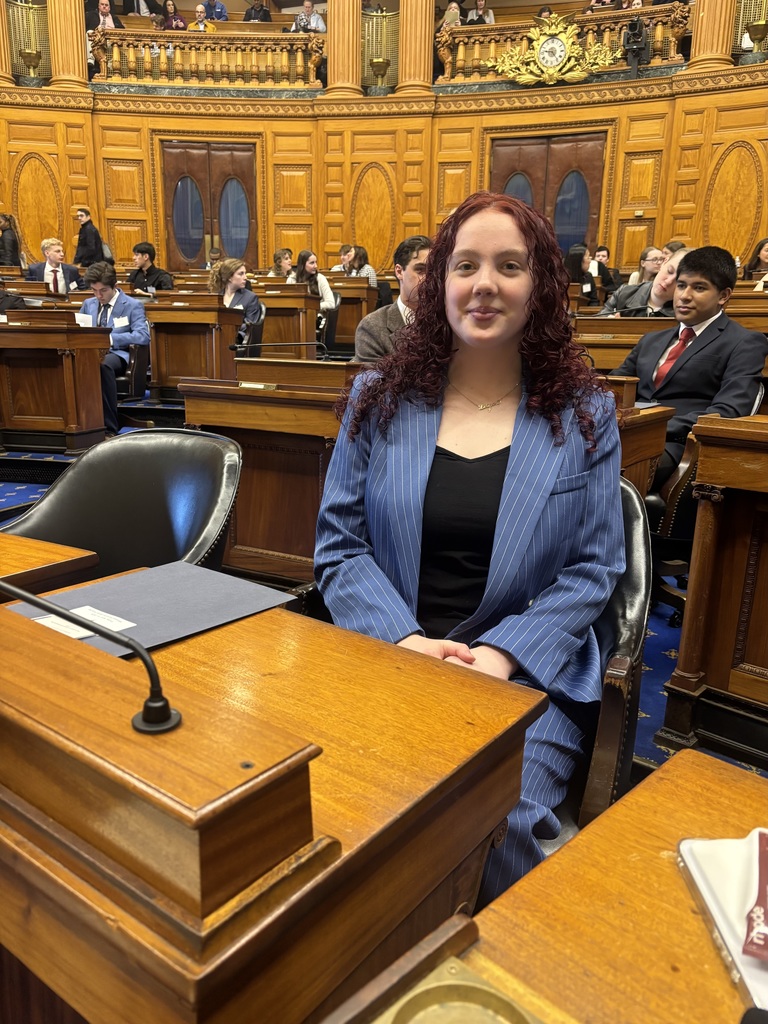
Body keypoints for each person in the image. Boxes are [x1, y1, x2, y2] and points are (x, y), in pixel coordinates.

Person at [316, 193, 624, 906]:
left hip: (524, 674)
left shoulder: (585, 414)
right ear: (439, 285)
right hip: (389, 655)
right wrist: (404, 641)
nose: (485, 284)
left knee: (488, 819)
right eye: (465, 265)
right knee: (329, 801)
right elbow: (339, 545)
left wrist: (500, 656)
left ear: (540, 287)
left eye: (509, 266)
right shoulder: (377, 399)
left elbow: (594, 567)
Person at [612, 246, 768, 487]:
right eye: (682, 285)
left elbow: (729, 411)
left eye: (699, 288)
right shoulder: (651, 340)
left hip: (679, 446)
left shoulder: (744, 342)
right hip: (623, 436)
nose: (684, 296)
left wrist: (652, 427)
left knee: (605, 470)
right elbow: (613, 388)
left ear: (723, 295)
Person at [79, 261, 150, 436]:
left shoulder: (132, 305)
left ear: (115, 286)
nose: (98, 295)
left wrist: (110, 339)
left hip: (117, 353)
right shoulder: (88, 304)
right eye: (94, 290)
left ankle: (109, 428)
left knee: (102, 365)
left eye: (103, 290)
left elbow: (142, 336)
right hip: (89, 353)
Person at [354, 234, 430, 362]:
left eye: (433, 271)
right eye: (420, 270)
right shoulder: (372, 327)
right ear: (399, 272)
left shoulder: (450, 323)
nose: (429, 278)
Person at [598, 246, 690, 317]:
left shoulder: (685, 312)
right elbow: (598, 320)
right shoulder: (624, 293)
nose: (669, 281)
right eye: (669, 271)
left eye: (679, 282)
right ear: (664, 263)